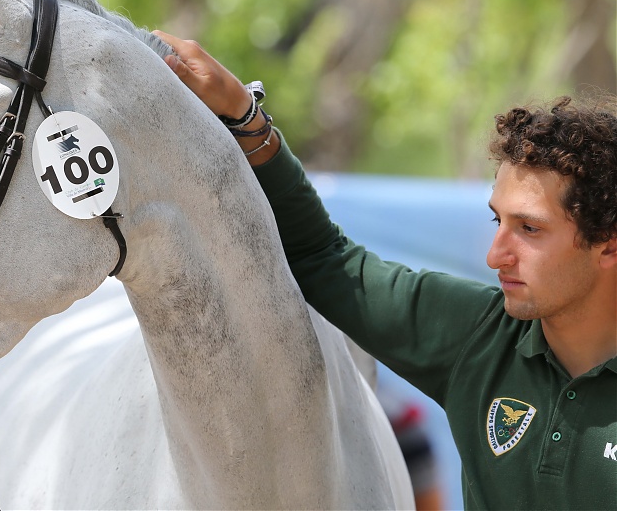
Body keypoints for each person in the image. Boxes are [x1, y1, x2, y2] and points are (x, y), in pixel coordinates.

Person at [154, 31, 617, 510]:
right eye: (498, 221)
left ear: (609, 243)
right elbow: (325, 258)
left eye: (531, 229)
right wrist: (244, 116)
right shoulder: (477, 337)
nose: (496, 254)